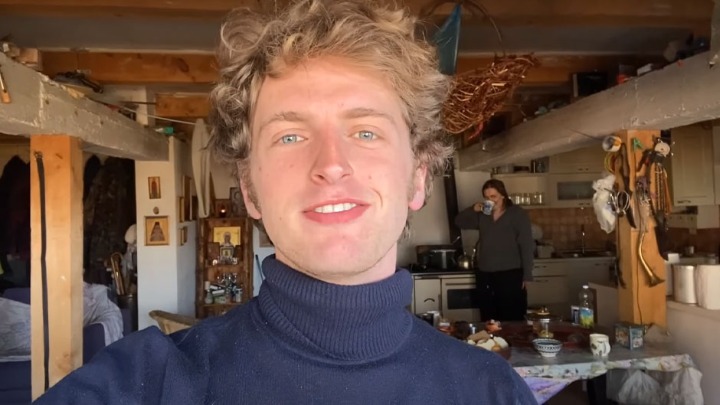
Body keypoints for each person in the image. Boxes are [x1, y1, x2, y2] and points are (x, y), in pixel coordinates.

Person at [35, 1, 537, 404]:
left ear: (418, 177)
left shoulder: (491, 391)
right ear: (250, 188)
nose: (332, 164)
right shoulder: (146, 384)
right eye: (290, 137)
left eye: (366, 131)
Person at [455, 179, 534, 322]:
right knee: (488, 318)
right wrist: (473, 209)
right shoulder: (483, 215)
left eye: (493, 196)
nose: (490, 200)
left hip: (510, 274)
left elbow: (526, 244)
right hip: (485, 274)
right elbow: (459, 222)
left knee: (512, 317)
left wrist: (527, 275)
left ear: (503, 195)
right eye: (487, 197)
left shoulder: (517, 213)